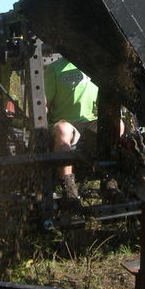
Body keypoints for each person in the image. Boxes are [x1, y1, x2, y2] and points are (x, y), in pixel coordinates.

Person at [44, 57, 99, 207]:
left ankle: (111, 180)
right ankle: (68, 186)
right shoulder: (54, 68)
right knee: (64, 130)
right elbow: (44, 103)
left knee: (117, 125)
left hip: (91, 120)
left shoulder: (95, 64)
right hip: (65, 121)